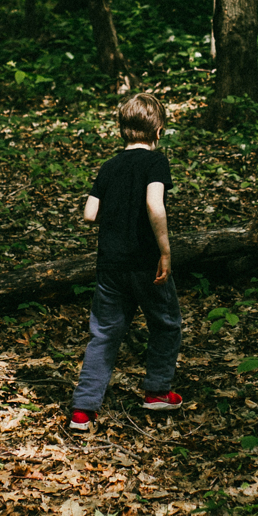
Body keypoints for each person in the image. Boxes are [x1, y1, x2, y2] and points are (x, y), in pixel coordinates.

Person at [68, 92, 183, 430]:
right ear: (158, 131)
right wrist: (165, 251)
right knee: (165, 323)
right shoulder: (155, 162)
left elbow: (90, 214)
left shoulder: (109, 166)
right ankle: (157, 391)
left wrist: (117, 210)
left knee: (103, 334)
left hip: (111, 266)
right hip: (146, 263)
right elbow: (154, 205)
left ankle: (83, 411)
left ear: (122, 130)